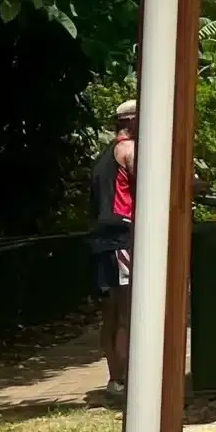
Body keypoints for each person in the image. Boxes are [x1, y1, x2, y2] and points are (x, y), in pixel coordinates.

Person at [88, 100, 137, 398]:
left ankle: (114, 378)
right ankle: (126, 382)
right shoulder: (129, 151)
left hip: (103, 241)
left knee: (111, 312)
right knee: (128, 313)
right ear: (131, 122)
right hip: (123, 238)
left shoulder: (102, 158)